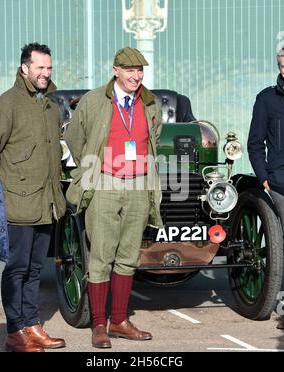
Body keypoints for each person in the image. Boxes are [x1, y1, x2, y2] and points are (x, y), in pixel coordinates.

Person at [65, 47, 163, 348]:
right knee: (101, 256)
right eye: (130, 70)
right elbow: (73, 138)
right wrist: (93, 164)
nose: (136, 75)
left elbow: (153, 138)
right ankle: (98, 325)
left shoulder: (149, 102)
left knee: (128, 256)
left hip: (138, 184)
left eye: (140, 70)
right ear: (115, 70)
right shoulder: (94, 101)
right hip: (104, 182)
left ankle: (119, 321)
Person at [0, 43, 66, 352]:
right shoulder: (7, 105)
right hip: (17, 205)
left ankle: (32, 326)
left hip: (46, 203)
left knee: (34, 270)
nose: (45, 73)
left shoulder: (50, 107)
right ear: (24, 68)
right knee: (15, 269)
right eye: (39, 68)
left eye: (48, 67)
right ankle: (14, 330)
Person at [248, 47, 284, 330]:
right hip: (281, 184)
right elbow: (255, 143)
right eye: (283, 66)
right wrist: (264, 178)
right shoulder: (266, 99)